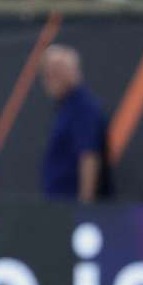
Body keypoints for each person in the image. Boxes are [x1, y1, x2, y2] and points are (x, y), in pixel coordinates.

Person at [39, 44, 110, 202]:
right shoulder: (66, 107)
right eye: (46, 73)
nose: (49, 78)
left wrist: (85, 206)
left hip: (73, 209)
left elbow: (89, 156)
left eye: (55, 72)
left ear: (72, 71)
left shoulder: (83, 107)